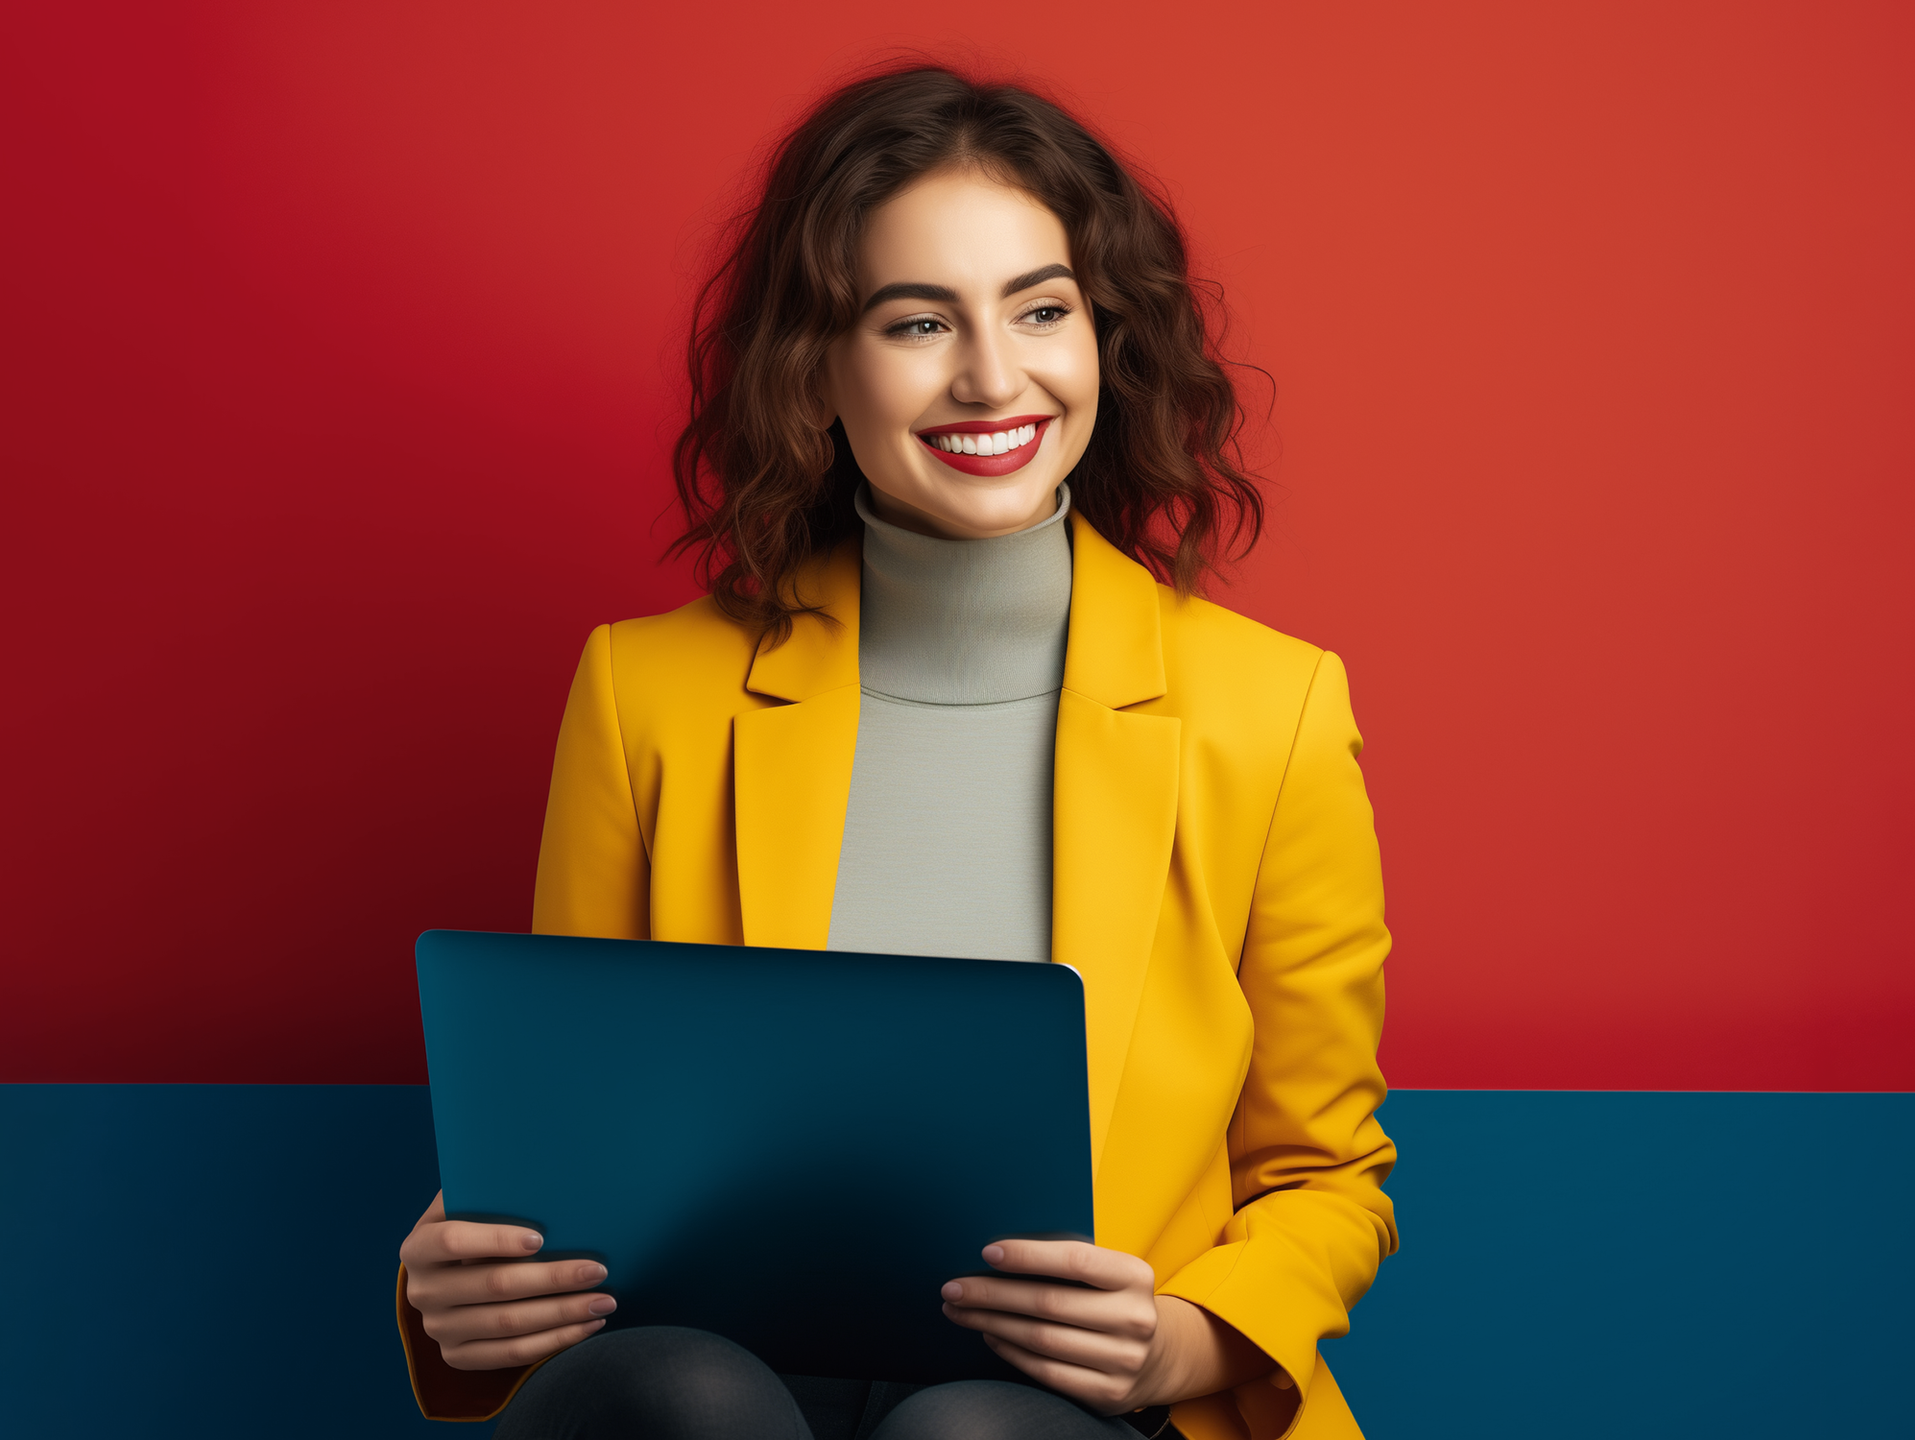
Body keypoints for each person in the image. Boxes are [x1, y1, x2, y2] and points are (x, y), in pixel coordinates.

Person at [394, 64, 1396, 1440]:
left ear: (1104, 339)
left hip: (1075, 1413)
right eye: (918, 321)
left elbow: (1325, 1179)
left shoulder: (1271, 712)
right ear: (817, 366)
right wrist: (474, 1273)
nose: (993, 376)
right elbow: (573, 1138)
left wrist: (1178, 1343)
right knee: (669, 1399)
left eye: (1041, 310)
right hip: (729, 1384)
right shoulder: (646, 695)